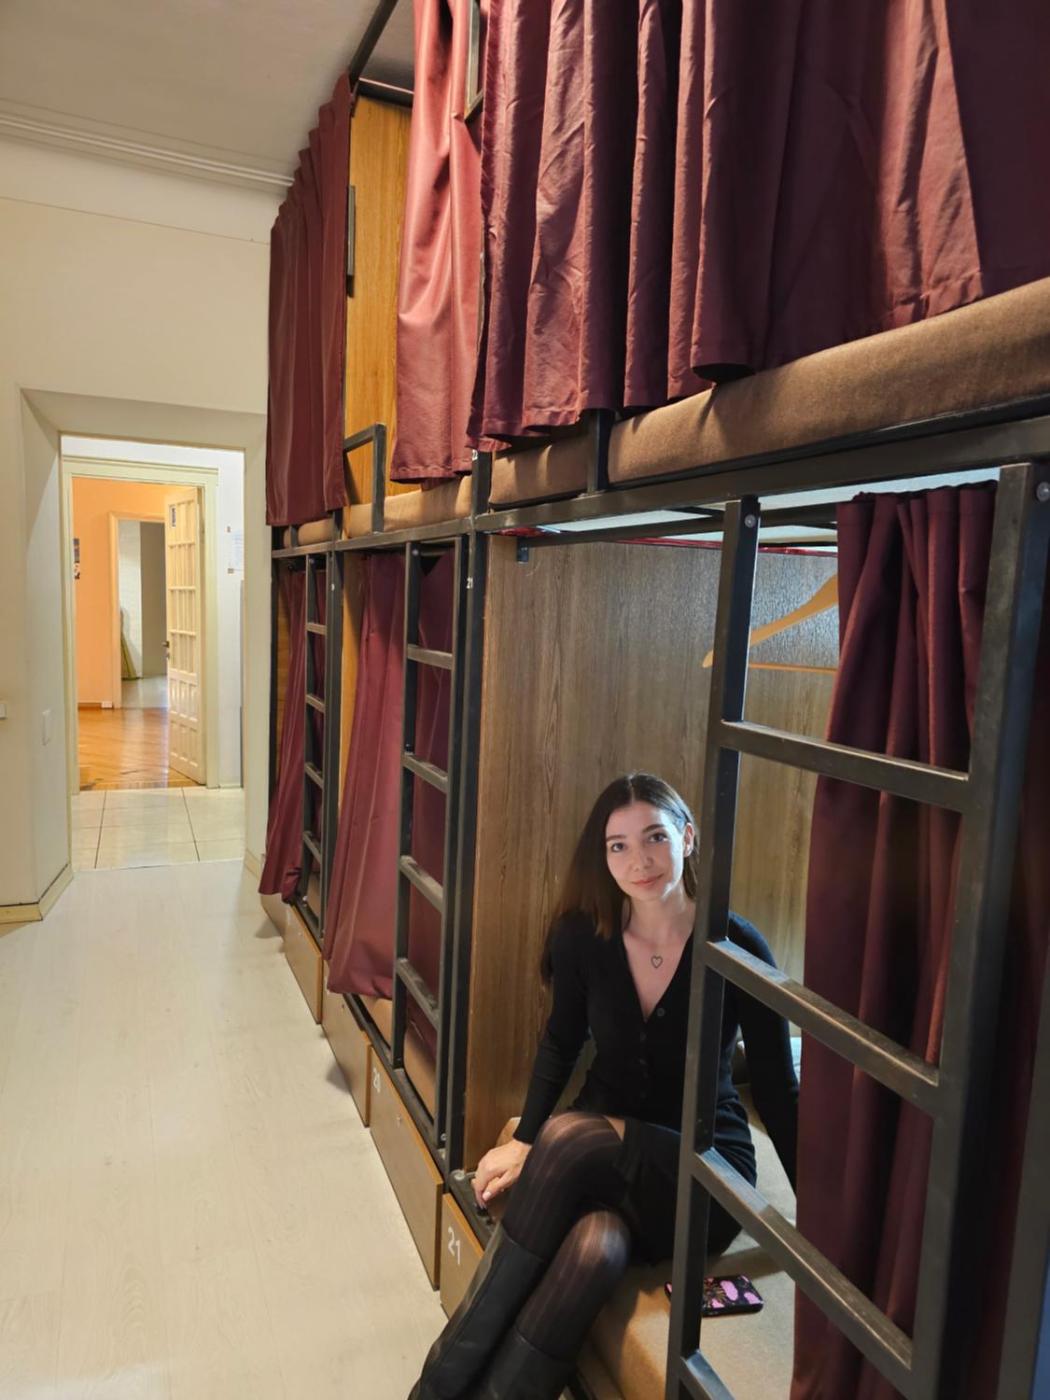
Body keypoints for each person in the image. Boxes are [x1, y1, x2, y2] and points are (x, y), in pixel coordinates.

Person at [410, 773, 798, 1399]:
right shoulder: (582, 937)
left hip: (698, 1168)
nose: (638, 860)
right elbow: (560, 1043)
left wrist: (829, 1243)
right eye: (618, 845)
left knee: (567, 1138)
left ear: (688, 837)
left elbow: (779, 1093)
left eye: (655, 837)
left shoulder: (737, 945)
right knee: (596, 1250)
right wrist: (526, 1138)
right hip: (601, 1154)